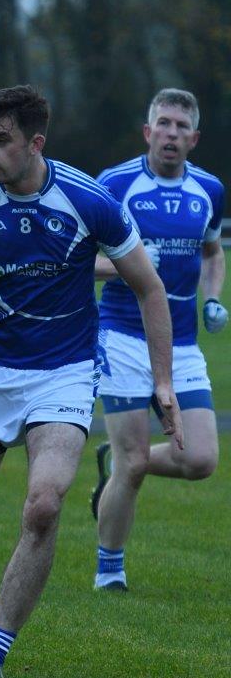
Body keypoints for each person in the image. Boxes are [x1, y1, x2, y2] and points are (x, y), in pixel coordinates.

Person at [0, 84, 181, 678]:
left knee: (43, 505)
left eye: (0, 140)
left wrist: (162, 382)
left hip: (63, 372)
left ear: (35, 143)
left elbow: (149, 287)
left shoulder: (90, 200)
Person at [90, 88, 225, 592]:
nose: (171, 134)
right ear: (148, 132)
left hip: (183, 344)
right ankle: (110, 570)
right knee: (135, 464)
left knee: (201, 460)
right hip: (123, 337)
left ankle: (114, 460)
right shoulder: (115, 184)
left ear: (194, 138)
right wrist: (130, 267)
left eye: (180, 127)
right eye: (163, 124)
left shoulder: (209, 189)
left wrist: (213, 297)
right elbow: (82, 257)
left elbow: (212, 252)